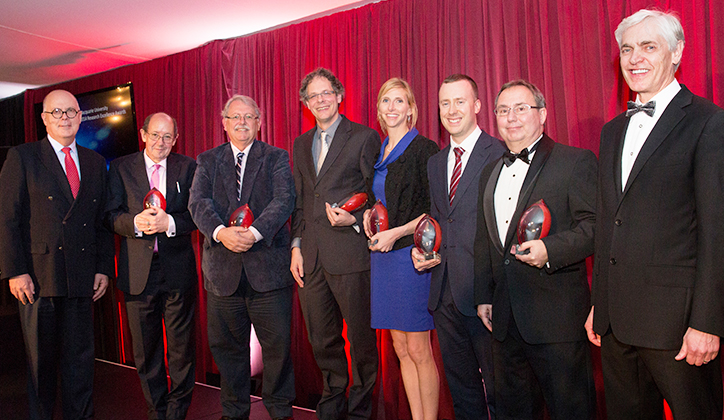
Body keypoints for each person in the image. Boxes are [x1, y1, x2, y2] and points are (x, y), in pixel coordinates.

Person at [585, 9, 724, 420]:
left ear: (677, 52)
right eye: (627, 48)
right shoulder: (612, 131)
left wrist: (708, 323)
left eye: (649, 46)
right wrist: (600, 303)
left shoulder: (708, 122)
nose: (635, 58)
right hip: (615, 326)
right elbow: (611, 222)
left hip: (678, 329)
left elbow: (717, 231)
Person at [473, 80, 597, 419]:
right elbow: (485, 239)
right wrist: (484, 294)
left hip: (556, 320)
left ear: (542, 114)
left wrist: (550, 250)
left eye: (521, 108)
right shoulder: (489, 172)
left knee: (570, 411)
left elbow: (594, 228)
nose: (511, 117)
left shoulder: (575, 161)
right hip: (504, 319)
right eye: (503, 110)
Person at [0, 89, 114, 419]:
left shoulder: (94, 162)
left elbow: (101, 221)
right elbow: (6, 218)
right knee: (42, 369)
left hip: (82, 279)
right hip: (38, 279)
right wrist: (15, 271)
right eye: (57, 113)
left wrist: (103, 268)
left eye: (71, 112)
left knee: (80, 367)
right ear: (45, 119)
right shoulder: (23, 157)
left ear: (81, 117)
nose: (65, 118)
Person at [188, 95, 296, 420]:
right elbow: (198, 203)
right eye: (235, 117)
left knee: (277, 355)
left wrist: (254, 234)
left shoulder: (276, 157)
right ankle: (234, 413)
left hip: (269, 274)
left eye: (249, 117)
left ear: (259, 122)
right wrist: (222, 233)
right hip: (223, 277)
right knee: (228, 355)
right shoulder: (207, 161)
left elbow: (284, 200)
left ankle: (280, 413)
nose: (242, 123)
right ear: (224, 123)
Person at [411, 74, 505, 420]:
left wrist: (493, 290)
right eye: (444, 103)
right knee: (462, 389)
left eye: (459, 101)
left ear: (477, 106)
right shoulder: (436, 162)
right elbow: (439, 220)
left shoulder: (498, 152)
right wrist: (422, 252)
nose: (451, 110)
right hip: (444, 293)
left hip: (485, 294)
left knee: (500, 389)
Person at [289, 67, 380, 420]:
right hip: (310, 260)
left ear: (340, 96)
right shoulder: (299, 144)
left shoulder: (364, 137)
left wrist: (356, 219)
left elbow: (376, 195)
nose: (321, 100)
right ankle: (330, 410)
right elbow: (300, 202)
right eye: (313, 96)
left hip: (351, 254)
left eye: (327, 93)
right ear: (306, 104)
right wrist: (296, 246)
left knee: (361, 344)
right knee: (322, 342)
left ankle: (359, 413)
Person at [105, 112, 198, 420]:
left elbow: (196, 215)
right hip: (137, 273)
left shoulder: (188, 168)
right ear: (143, 135)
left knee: (181, 351)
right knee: (146, 353)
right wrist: (135, 223)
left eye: (168, 137)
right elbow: (110, 215)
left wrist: (169, 222)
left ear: (176, 139)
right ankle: (156, 412)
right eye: (155, 135)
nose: (161, 142)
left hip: (177, 270)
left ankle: (177, 413)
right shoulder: (120, 168)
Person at [363, 78, 440, 420]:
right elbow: (377, 199)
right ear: (379, 110)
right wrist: (367, 214)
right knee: (399, 348)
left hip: (411, 257)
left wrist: (396, 233)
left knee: (419, 349)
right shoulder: (379, 150)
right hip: (382, 259)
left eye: (398, 101)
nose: (391, 108)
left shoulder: (424, 149)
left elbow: (433, 207)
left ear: (411, 108)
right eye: (385, 102)